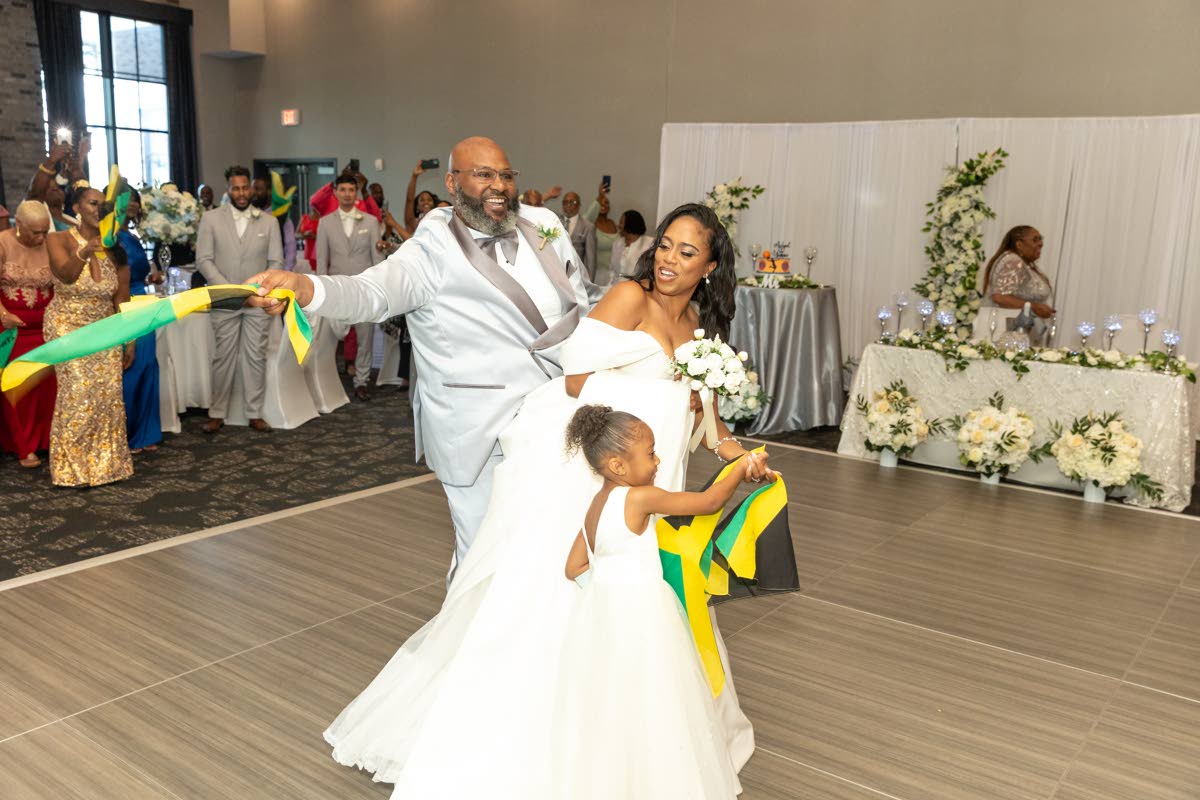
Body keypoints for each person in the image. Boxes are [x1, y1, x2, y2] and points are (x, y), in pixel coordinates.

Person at [260, 199, 768, 796]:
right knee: (569, 601)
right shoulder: (632, 300)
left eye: (686, 253)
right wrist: (651, 396)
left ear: (710, 267)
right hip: (610, 473)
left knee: (649, 602)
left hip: (658, 470)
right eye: (664, 245)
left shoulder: (697, 328)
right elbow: (578, 380)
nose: (668, 260)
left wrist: (734, 450)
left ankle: (639, 743)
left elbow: (704, 409)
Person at [250, 137, 590, 580]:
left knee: (545, 547)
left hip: (554, 417)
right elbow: (372, 293)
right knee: (483, 557)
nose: (499, 186)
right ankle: (471, 643)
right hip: (477, 425)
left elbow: (581, 299)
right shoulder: (432, 246)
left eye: (506, 175)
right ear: (452, 182)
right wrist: (305, 287)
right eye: (483, 174)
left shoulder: (542, 223)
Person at [556, 404, 763, 798]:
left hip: (604, 615)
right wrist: (741, 466)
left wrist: (608, 587)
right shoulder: (639, 498)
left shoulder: (595, 507)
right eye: (650, 453)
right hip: (645, 610)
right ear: (618, 466)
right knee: (661, 690)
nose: (657, 460)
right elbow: (708, 503)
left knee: (619, 693)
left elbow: (574, 566)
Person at [43, 187, 134, 487]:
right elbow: (66, 275)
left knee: (107, 396)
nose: (99, 209)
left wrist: (129, 339)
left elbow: (122, 298)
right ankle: (72, 470)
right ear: (77, 207)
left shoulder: (116, 248)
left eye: (103, 205)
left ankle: (107, 466)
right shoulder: (57, 239)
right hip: (67, 324)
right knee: (78, 394)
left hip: (105, 327)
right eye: (93, 203)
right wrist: (84, 250)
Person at [194, 165, 283, 434]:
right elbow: (204, 260)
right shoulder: (211, 219)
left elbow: (276, 261)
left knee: (256, 356)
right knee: (223, 357)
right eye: (236, 188)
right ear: (228, 190)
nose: (242, 193)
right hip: (224, 299)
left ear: (251, 189)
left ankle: (254, 413)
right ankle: (217, 412)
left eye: (245, 188)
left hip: (258, 300)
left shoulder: (269, 222)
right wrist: (231, 290)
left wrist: (255, 291)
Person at [316, 173, 384, 400]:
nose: (346, 194)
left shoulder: (370, 222)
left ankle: (361, 382)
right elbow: (322, 261)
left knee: (365, 339)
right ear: (335, 192)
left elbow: (377, 260)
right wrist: (320, 292)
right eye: (342, 190)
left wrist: (380, 289)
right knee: (329, 339)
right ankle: (326, 383)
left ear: (356, 193)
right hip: (335, 290)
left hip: (364, 290)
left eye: (351, 190)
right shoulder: (325, 223)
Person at [0, 201, 57, 467]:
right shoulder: (2, 243)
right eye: (35, 232)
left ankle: (48, 440)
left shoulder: (50, 243)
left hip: (46, 327)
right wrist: (4, 316)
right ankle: (24, 446)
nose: (41, 237)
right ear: (18, 224)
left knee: (51, 382)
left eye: (45, 231)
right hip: (11, 330)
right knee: (19, 383)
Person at [114, 187, 163, 453]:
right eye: (127, 199)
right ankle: (127, 432)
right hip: (124, 302)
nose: (132, 203)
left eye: (135, 199)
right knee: (129, 366)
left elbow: (137, 272)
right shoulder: (109, 237)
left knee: (147, 364)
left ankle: (146, 433)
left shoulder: (131, 236)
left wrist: (151, 278)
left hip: (142, 300)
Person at [981, 225, 1055, 342]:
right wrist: (1035, 307)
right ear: (1019, 244)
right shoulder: (1013, 261)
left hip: (1015, 331)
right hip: (1004, 333)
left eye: (1041, 239)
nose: (1041, 243)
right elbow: (999, 297)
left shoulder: (1023, 263)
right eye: (1035, 239)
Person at [252, 177, 297, 272]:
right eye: (252, 189)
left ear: (269, 192)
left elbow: (290, 248)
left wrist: (285, 272)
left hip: (275, 273)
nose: (254, 193)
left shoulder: (282, 216)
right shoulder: (248, 214)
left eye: (258, 189)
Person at [584, 180, 620, 285]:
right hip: (597, 274)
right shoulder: (590, 225)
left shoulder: (613, 223)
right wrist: (600, 196)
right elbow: (586, 218)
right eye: (601, 203)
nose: (603, 205)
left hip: (613, 274)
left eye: (606, 203)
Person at [560, 191, 597, 281]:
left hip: (577, 276)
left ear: (579, 205)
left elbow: (590, 259)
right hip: (557, 273)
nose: (568, 205)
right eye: (565, 202)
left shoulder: (587, 227)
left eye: (572, 202)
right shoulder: (555, 222)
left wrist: (590, 282)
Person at [610, 209, 654, 280]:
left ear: (629, 224)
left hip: (638, 287)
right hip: (617, 286)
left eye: (621, 223)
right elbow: (611, 270)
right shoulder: (617, 243)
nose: (618, 226)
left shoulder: (649, 243)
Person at [296, 206, 320, 272]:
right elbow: (296, 234)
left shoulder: (323, 219)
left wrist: (314, 236)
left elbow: (328, 236)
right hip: (308, 250)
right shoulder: (304, 217)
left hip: (319, 250)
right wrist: (304, 234)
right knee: (309, 272)